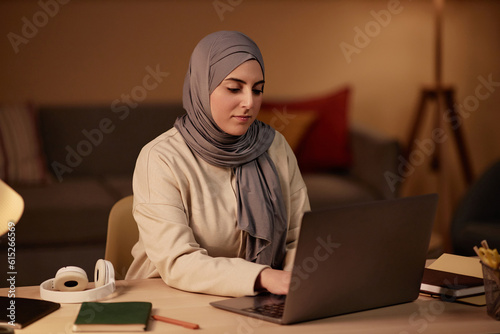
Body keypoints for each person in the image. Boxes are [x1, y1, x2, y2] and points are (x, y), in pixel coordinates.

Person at [125, 31, 310, 297]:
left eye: (257, 90)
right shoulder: (161, 157)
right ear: (202, 86)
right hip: (170, 299)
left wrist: (295, 281)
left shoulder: (275, 146)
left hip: (259, 300)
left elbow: (300, 237)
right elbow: (177, 261)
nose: (249, 102)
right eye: (234, 88)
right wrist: (263, 276)